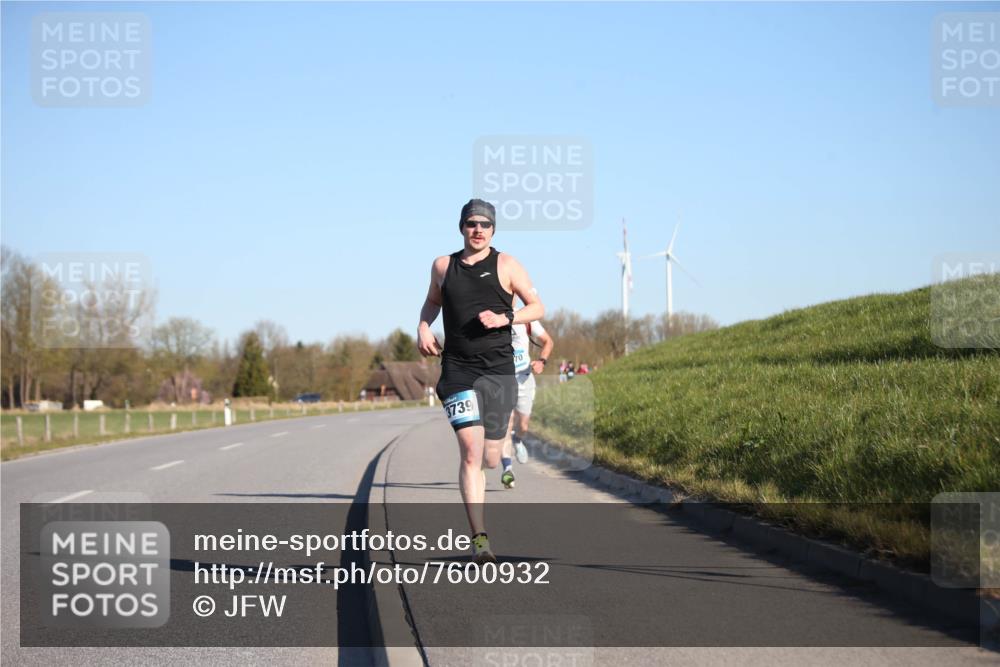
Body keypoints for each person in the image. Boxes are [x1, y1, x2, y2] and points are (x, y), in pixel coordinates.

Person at [417, 198, 544, 564]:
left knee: (490, 456)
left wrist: (506, 318)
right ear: (461, 227)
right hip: (458, 369)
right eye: (471, 223)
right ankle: (480, 540)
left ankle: (500, 453)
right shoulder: (443, 266)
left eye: (485, 224)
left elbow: (537, 307)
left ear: (493, 229)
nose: (478, 230)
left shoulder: (507, 264)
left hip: (499, 370)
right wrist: (423, 326)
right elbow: (432, 302)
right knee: (471, 453)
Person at [500, 295, 554, 490]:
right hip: (502, 380)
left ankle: (518, 439)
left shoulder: (526, 317)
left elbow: (548, 341)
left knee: (523, 425)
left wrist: (542, 361)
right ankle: (507, 470)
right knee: (505, 426)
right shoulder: (491, 319)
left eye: (512, 293)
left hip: (524, 378)